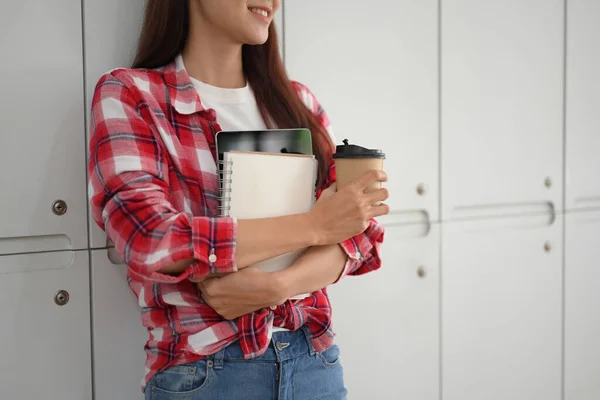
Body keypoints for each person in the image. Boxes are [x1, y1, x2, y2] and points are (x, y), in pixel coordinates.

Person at [87, 0, 389, 399]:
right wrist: (314, 226)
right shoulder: (131, 94)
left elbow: (360, 233)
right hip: (204, 374)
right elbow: (152, 239)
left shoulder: (297, 102)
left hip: (313, 363)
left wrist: (278, 286)